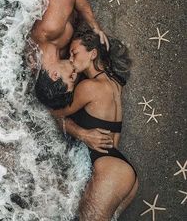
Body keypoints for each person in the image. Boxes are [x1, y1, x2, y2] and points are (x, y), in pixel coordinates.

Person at [25, 0, 114, 155]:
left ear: (55, 75)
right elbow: (52, 111)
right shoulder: (39, 65)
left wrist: (95, 26)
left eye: (70, 77)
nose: (75, 72)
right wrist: (83, 134)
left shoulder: (49, 31)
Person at [51, 27, 138, 221]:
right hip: (117, 170)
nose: (71, 60)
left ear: (93, 53)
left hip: (111, 171)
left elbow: (54, 114)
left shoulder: (88, 87)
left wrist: (81, 133)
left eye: (74, 53)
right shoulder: (115, 81)